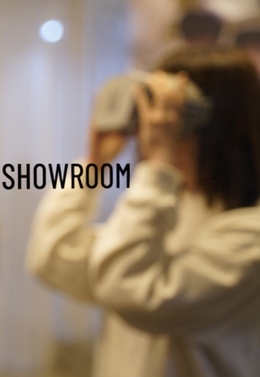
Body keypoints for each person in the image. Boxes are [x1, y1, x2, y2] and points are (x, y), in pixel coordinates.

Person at [27, 46, 260, 377]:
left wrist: (159, 165)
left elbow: (132, 289)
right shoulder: (162, 207)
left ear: (217, 117)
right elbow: (53, 259)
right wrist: (94, 164)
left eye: (172, 108)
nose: (154, 121)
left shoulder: (249, 231)